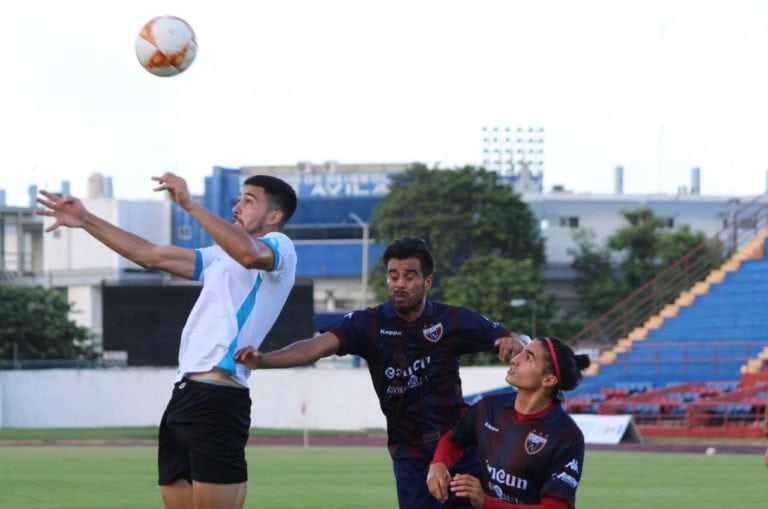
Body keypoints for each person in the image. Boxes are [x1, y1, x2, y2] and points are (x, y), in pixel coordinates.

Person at [35, 172, 297, 509]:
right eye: (238, 199)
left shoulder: (280, 247)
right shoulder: (220, 255)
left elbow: (249, 254)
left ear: (274, 217)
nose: (237, 207)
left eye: (249, 201)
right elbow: (151, 256)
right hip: (183, 395)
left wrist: (188, 203)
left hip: (218, 397)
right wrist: (86, 219)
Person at [234, 236, 528, 509]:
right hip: (410, 454)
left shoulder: (454, 319)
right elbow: (315, 347)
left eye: (409, 276)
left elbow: (519, 342)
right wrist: (265, 360)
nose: (399, 283)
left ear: (427, 281)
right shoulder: (368, 323)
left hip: (460, 444)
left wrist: (516, 342)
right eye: (393, 275)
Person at [427, 336, 590, 509]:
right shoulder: (488, 407)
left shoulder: (566, 435)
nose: (514, 359)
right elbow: (454, 440)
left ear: (548, 380)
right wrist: (438, 465)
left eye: (528, 357)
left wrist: (486, 502)